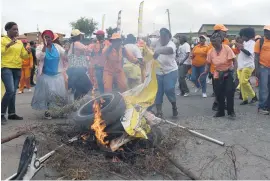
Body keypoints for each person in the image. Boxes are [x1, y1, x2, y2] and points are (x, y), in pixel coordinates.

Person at [31, 30, 68, 119]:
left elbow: (65, 55)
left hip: (57, 75)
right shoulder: (40, 47)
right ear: (43, 39)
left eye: (49, 37)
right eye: (45, 37)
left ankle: (60, 110)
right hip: (46, 75)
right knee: (49, 94)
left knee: (58, 93)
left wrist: (67, 49)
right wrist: (44, 46)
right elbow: (39, 57)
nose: (47, 39)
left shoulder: (57, 47)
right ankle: (48, 111)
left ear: (52, 38)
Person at [1, 22, 31, 124]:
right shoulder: (2, 40)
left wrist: (28, 52)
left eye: (17, 29)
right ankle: (1, 114)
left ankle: (11, 114)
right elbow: (1, 52)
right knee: (10, 90)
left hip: (17, 68)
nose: (16, 31)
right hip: (6, 68)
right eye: (14, 29)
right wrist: (9, 45)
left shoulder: (19, 42)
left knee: (13, 92)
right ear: (8, 30)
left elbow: (24, 56)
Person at [205, 31, 236, 119]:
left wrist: (234, 71)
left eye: (215, 42)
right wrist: (206, 70)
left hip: (227, 73)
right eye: (212, 42)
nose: (214, 44)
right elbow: (208, 63)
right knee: (218, 93)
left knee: (229, 92)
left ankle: (231, 112)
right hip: (217, 74)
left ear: (220, 40)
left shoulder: (226, 48)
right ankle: (221, 111)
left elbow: (234, 61)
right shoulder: (211, 51)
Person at [153, 28, 178, 118]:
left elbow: (170, 50)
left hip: (170, 71)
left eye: (165, 36)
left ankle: (174, 106)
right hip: (158, 72)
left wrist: (159, 51)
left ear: (169, 37)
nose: (162, 38)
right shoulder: (157, 42)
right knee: (158, 92)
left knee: (169, 89)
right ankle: (159, 112)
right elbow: (148, 46)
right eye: (161, 36)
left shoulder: (171, 44)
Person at [209, 24, 230, 111]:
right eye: (224, 31)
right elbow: (211, 56)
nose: (225, 33)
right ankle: (216, 104)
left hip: (226, 69)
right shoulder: (213, 42)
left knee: (224, 88)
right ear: (218, 31)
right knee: (218, 89)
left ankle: (221, 103)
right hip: (216, 70)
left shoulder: (226, 41)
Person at [66, 29, 92, 99]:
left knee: (79, 87)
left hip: (74, 69)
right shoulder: (77, 43)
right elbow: (88, 49)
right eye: (80, 35)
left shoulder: (73, 44)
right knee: (87, 85)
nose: (81, 36)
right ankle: (77, 102)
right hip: (77, 70)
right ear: (77, 36)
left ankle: (77, 102)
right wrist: (92, 46)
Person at [237, 28, 258, 105]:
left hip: (248, 65)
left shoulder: (252, 43)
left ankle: (254, 96)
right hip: (241, 66)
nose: (241, 37)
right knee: (242, 83)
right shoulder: (245, 43)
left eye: (242, 35)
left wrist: (241, 48)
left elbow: (249, 53)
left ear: (247, 35)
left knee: (243, 82)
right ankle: (245, 99)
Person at [254, 25, 270, 115]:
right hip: (263, 67)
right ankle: (262, 107)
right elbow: (256, 56)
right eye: (265, 31)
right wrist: (257, 69)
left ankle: (267, 107)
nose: (266, 33)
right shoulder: (260, 41)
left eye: (268, 31)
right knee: (263, 89)